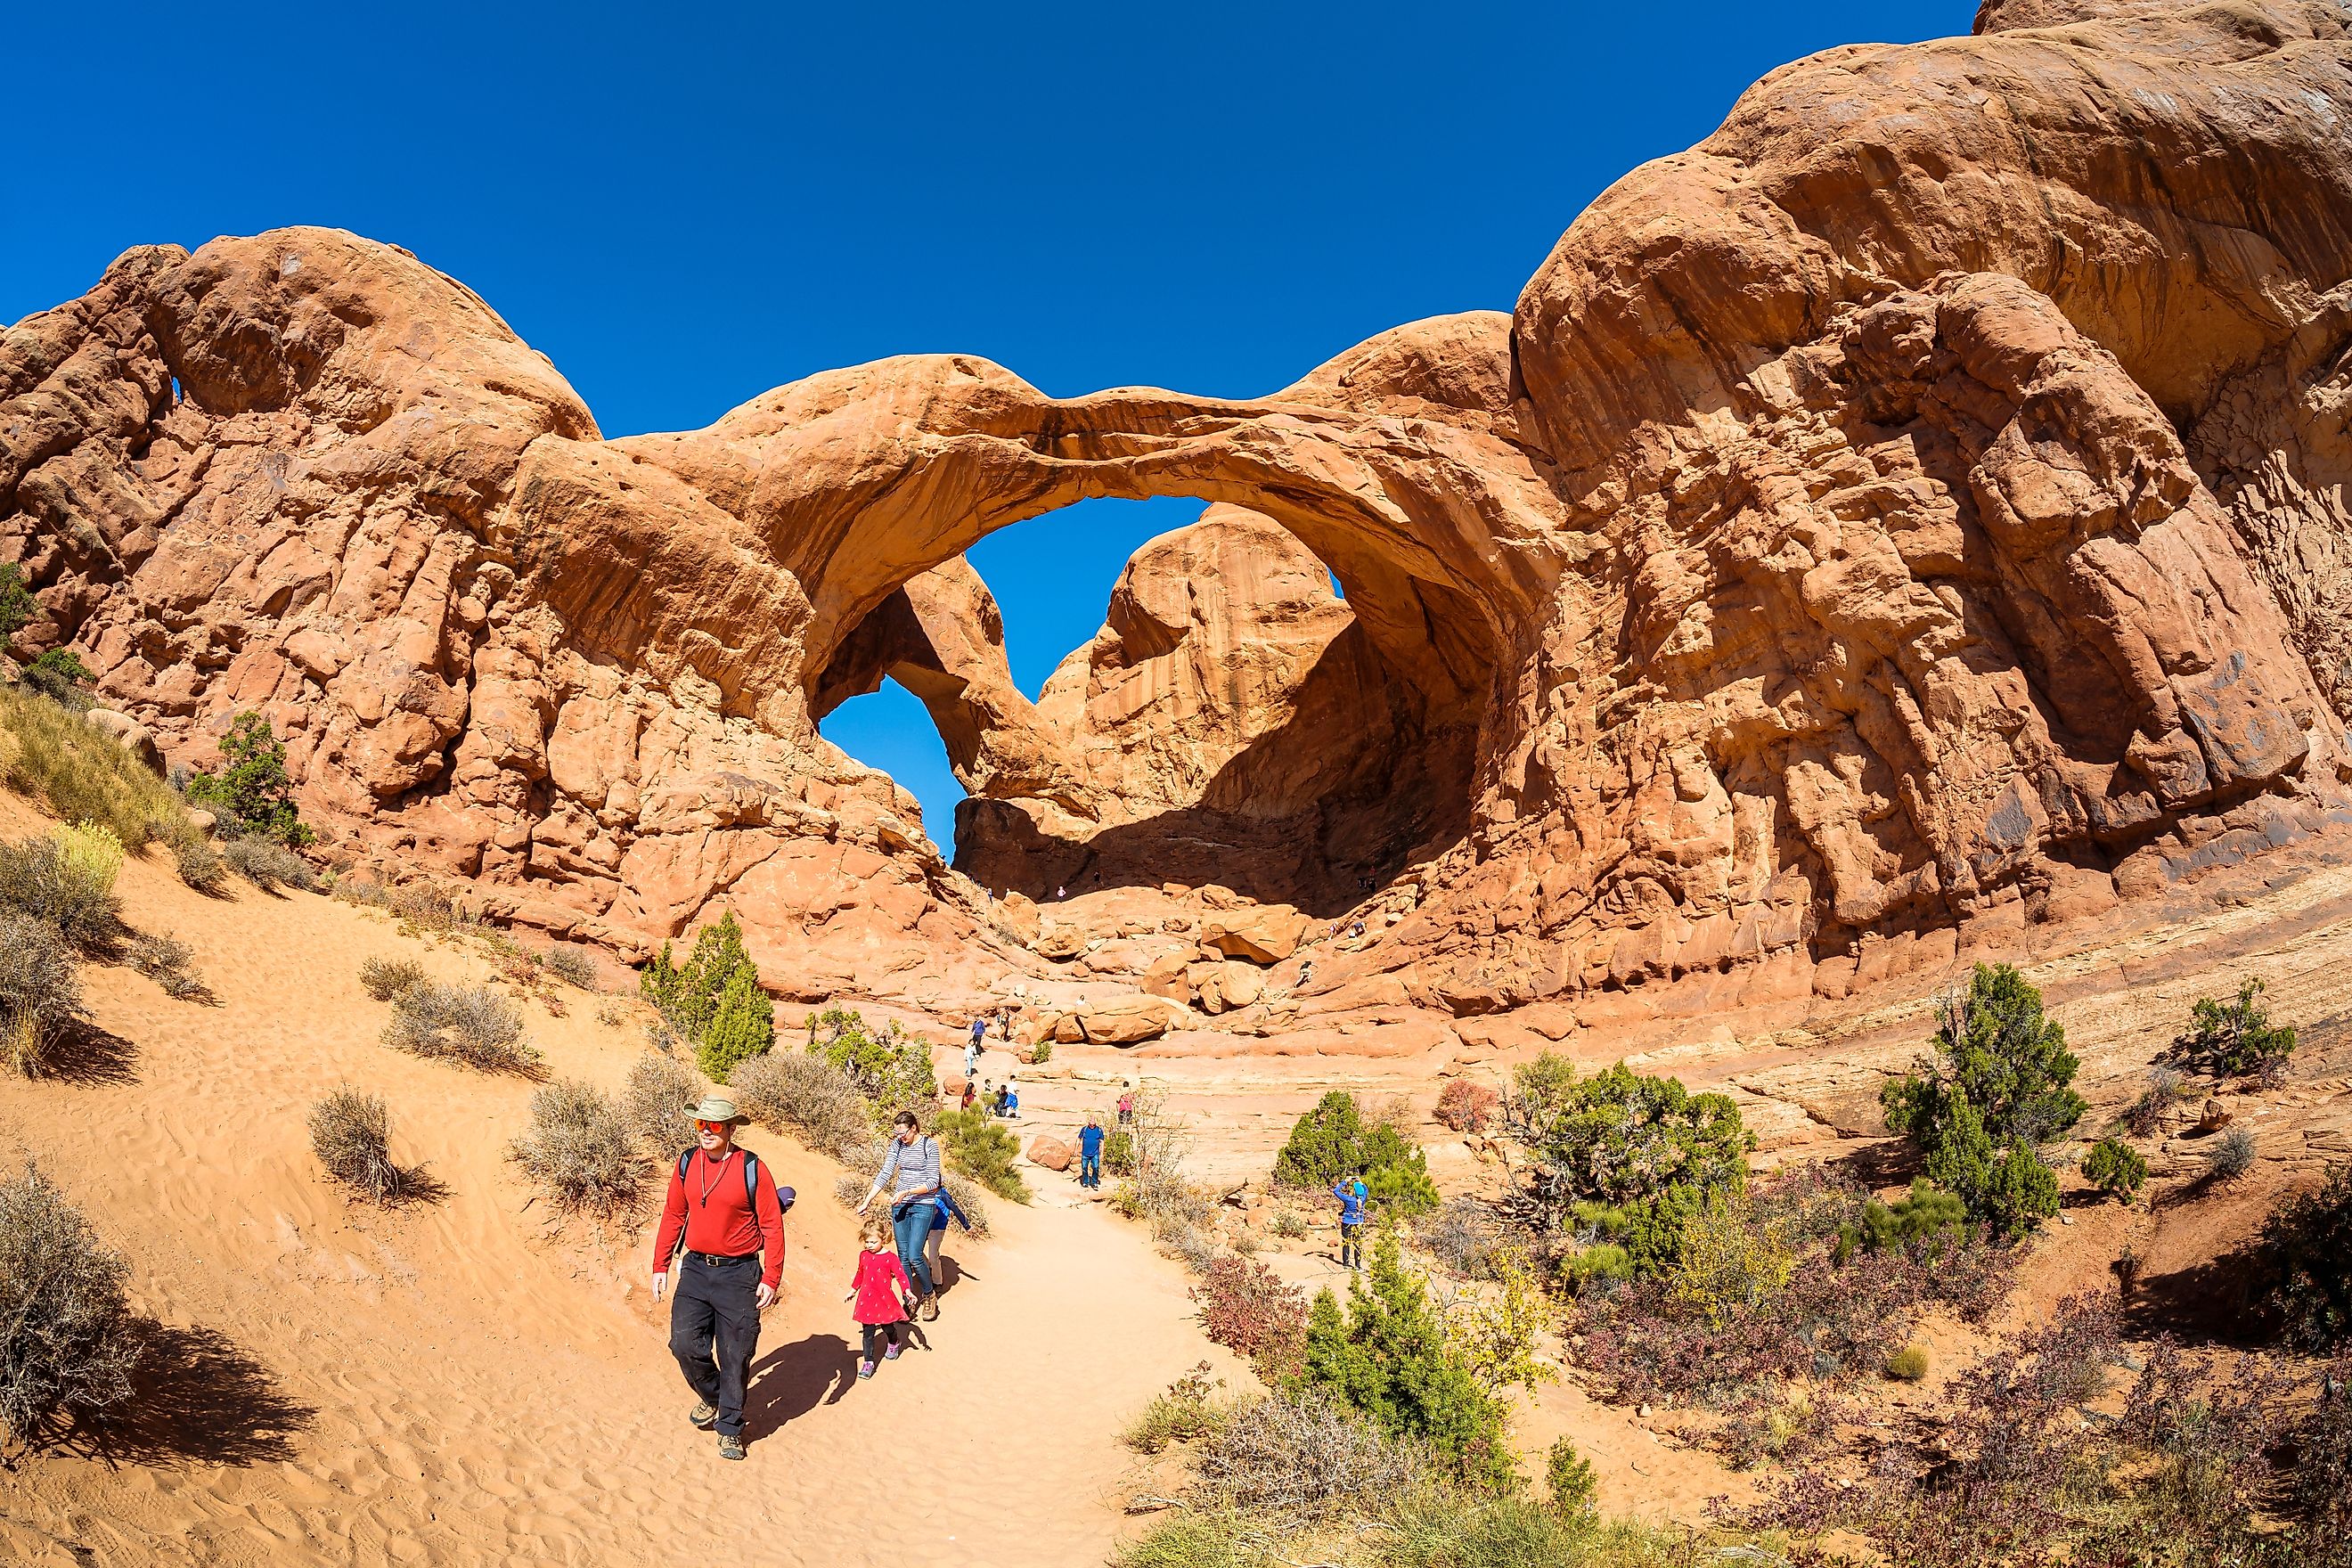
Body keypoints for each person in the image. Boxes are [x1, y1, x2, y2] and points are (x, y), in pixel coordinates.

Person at [651, 1097, 789, 1461]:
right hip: (696, 1269)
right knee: (684, 1345)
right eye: (701, 1125)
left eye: (714, 1126)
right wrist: (660, 1265)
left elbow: (773, 1226)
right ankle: (716, 1399)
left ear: (730, 1129)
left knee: (735, 1353)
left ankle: (730, 1426)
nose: (706, 1132)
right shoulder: (686, 1163)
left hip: (739, 1274)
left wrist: (771, 1278)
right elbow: (672, 1215)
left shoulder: (752, 1168)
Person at [859, 1111, 943, 1320]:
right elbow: (886, 1172)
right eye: (896, 1132)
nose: (900, 1137)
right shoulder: (897, 1145)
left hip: (922, 1204)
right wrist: (868, 1200)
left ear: (914, 1128)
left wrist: (908, 1192)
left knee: (915, 1254)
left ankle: (928, 1293)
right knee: (903, 1256)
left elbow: (934, 1181)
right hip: (900, 1205)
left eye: (903, 1132)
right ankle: (909, 1300)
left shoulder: (928, 1146)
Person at [845, 1215, 912, 1377]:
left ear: (883, 1239)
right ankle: (868, 1362)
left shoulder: (891, 1258)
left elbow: (901, 1276)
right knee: (868, 1332)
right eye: (867, 1242)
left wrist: (907, 1291)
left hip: (883, 1299)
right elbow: (860, 1273)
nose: (869, 1245)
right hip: (866, 1299)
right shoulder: (864, 1255)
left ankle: (894, 1342)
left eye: (873, 1242)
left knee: (887, 1327)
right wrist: (853, 1290)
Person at [926, 1176, 973, 1288]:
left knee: (933, 1256)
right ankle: (926, 1267)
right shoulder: (925, 1193)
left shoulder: (943, 1195)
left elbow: (955, 1209)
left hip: (937, 1228)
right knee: (914, 1250)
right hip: (924, 1227)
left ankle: (937, 1283)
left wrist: (967, 1226)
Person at [1332, 1167, 1369, 1271]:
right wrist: (1361, 1183)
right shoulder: (1363, 1199)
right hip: (1358, 1222)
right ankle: (1358, 1266)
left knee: (1346, 1242)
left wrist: (1345, 1181)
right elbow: (1366, 1190)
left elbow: (1335, 1191)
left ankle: (1346, 1263)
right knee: (1358, 1244)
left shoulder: (1348, 1199)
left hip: (1347, 1222)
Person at [1076, 1115, 1106, 1189]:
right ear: (1088, 1123)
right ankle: (1085, 1182)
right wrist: (1076, 1149)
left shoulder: (1099, 1130)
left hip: (1095, 1153)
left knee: (1096, 1167)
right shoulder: (1085, 1129)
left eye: (1093, 1125)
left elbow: (1102, 1141)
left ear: (1095, 1123)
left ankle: (1094, 1182)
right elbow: (1079, 1138)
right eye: (1090, 1125)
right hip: (1085, 1153)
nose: (1092, 1126)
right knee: (1084, 1168)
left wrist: (1101, 1153)